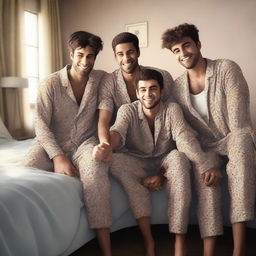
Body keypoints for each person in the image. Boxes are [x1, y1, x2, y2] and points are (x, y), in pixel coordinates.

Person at [95, 68, 221, 256]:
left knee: (179, 159)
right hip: (137, 161)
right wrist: (106, 145)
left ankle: (180, 241)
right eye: (143, 90)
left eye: (153, 89)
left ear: (161, 91)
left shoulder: (172, 109)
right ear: (137, 93)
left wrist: (205, 164)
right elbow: (117, 133)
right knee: (114, 161)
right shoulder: (127, 110)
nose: (148, 94)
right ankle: (149, 241)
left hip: (166, 159)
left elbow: (184, 139)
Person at [161, 23, 256, 256]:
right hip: (205, 147)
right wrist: (207, 162)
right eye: (176, 50)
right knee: (205, 178)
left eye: (187, 46)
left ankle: (238, 249)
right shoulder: (176, 88)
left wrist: (229, 155)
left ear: (198, 44)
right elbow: (184, 132)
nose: (183, 53)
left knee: (241, 147)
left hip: (234, 135)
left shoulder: (227, 69)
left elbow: (238, 120)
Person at [23, 31, 113, 256]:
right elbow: (40, 125)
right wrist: (58, 156)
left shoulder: (102, 79)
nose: (85, 62)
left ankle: (107, 249)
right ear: (71, 54)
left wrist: (104, 143)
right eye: (80, 55)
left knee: (95, 175)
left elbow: (106, 112)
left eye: (90, 56)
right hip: (50, 143)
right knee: (27, 175)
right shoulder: (50, 83)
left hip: (85, 143)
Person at [94, 32, 174, 162]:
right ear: (115, 57)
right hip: (128, 149)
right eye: (120, 54)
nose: (126, 58)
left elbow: (173, 112)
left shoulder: (162, 76)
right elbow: (104, 120)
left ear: (138, 52)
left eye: (130, 52)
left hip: (162, 147)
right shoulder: (109, 82)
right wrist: (105, 144)